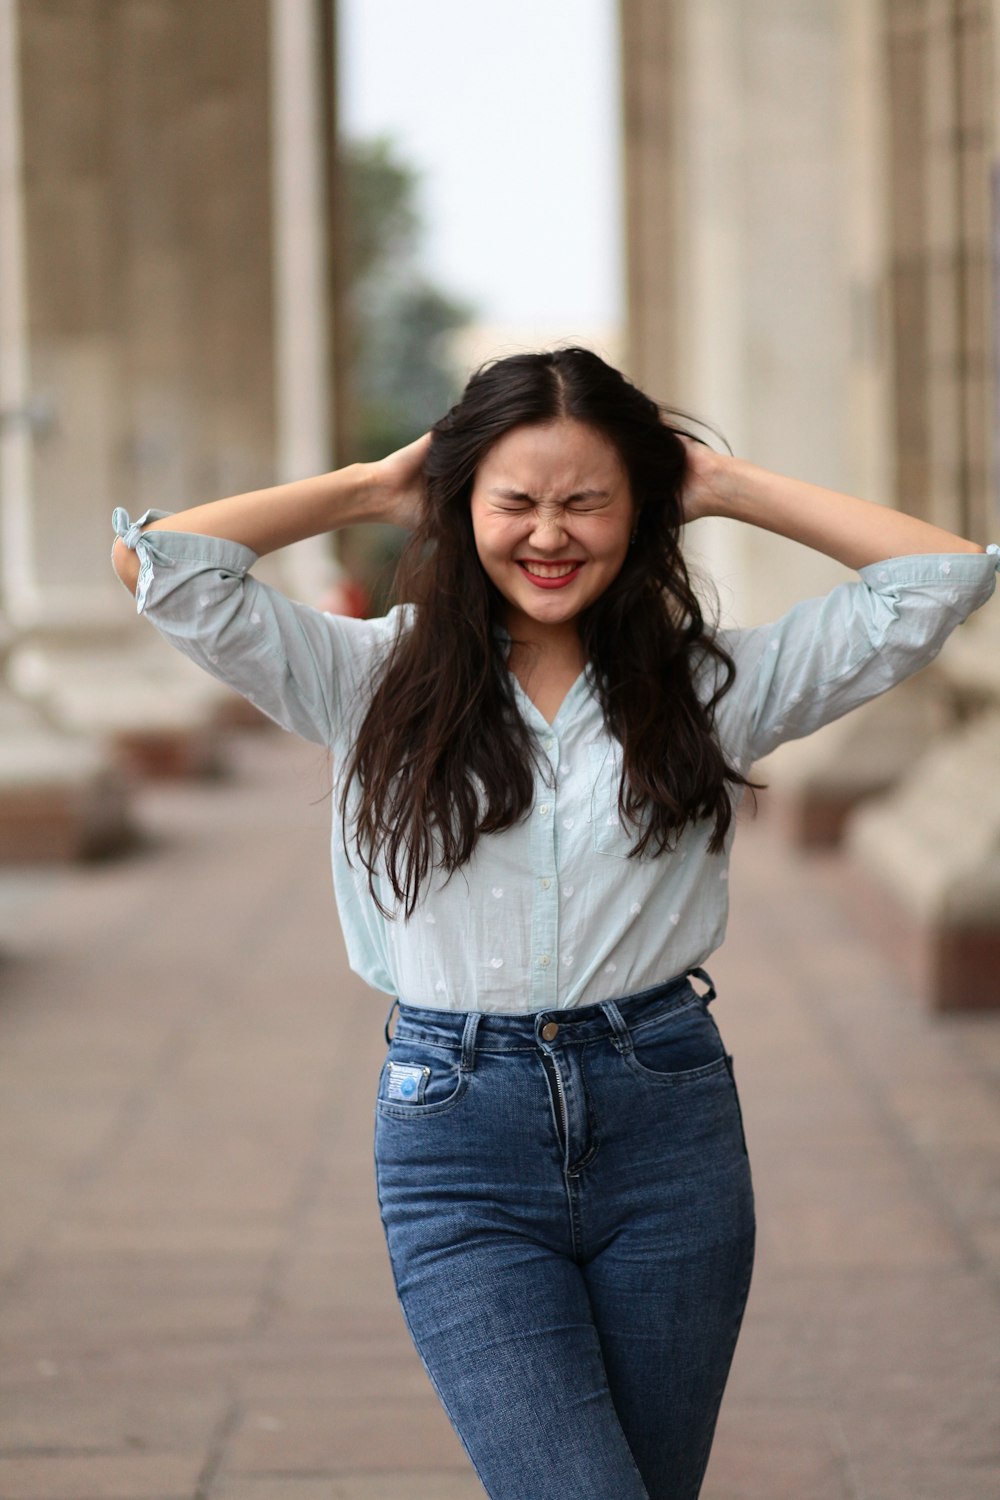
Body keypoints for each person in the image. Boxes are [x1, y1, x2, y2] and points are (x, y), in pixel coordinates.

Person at [111, 348, 998, 1500]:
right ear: (461, 505)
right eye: (515, 502)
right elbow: (164, 564)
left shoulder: (710, 687)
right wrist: (373, 487)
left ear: (641, 509)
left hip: (667, 1124)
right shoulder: (366, 678)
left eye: (587, 500)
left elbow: (936, 580)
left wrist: (726, 485)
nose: (550, 534)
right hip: (455, 1144)